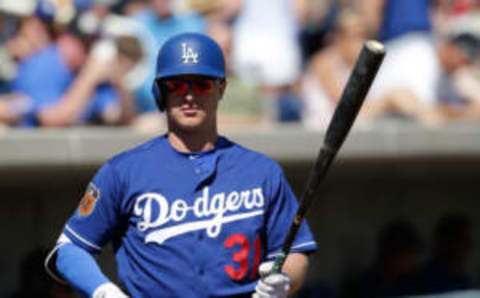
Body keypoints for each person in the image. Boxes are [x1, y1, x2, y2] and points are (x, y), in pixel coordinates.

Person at [45, 32, 317, 297]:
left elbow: (294, 252)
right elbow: (69, 249)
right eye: (176, 84)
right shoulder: (123, 171)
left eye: (201, 84)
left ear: (221, 88)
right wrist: (103, 291)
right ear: (160, 92)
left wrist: (284, 282)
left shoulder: (262, 172)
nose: (189, 96)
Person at [339, 220, 423, 298]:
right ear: (392, 255)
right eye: (407, 257)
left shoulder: (413, 284)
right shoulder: (362, 287)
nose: (412, 262)